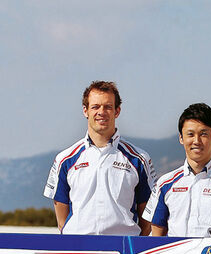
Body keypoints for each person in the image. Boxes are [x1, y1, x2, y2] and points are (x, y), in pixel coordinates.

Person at [44, 81, 156, 235]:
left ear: (117, 111)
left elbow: (147, 219)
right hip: (78, 250)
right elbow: (62, 220)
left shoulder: (139, 159)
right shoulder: (65, 159)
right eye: (95, 107)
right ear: (85, 111)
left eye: (108, 107)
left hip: (124, 251)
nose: (101, 112)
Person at [143, 103, 211, 237]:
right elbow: (156, 233)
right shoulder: (165, 183)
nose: (196, 141)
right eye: (190, 134)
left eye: (203, 134)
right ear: (181, 138)